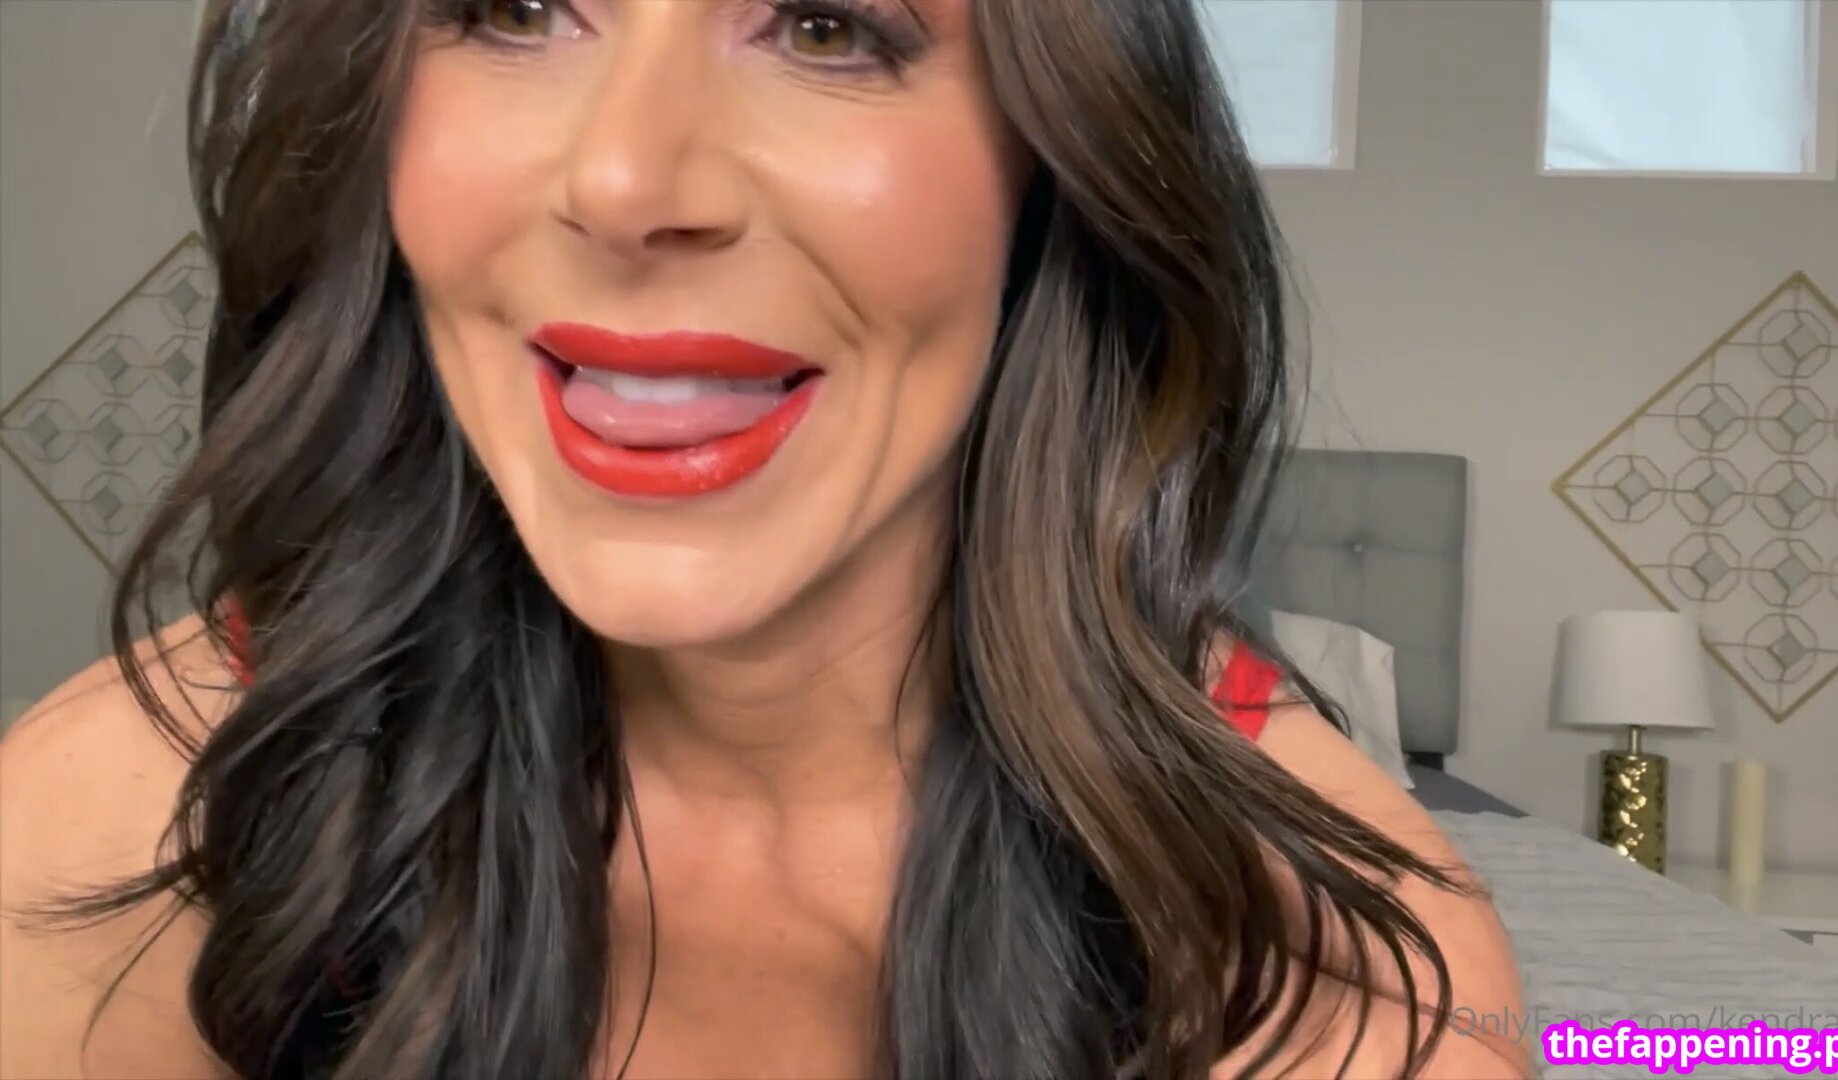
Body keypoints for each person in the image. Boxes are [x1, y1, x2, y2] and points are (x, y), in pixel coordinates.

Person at [0, 0, 1529, 1076]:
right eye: (515, 6)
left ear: (1058, 161)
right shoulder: (114, 829)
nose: (626, 181)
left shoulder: (1348, 977)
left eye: (824, 25)